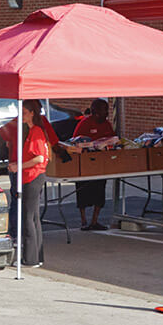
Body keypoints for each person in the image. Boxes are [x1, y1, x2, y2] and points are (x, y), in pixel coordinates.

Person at [8, 100, 49, 267]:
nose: (22, 115)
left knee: (28, 218)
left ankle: (30, 258)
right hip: (31, 176)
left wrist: (18, 167)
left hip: (33, 177)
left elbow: (39, 157)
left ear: (32, 113)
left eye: (24, 112)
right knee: (33, 217)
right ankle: (36, 257)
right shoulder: (33, 131)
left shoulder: (36, 131)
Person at [72, 99, 114, 231]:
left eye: (107, 111)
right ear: (95, 112)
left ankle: (95, 221)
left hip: (101, 163)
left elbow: (113, 138)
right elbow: (74, 142)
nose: (106, 114)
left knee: (100, 191)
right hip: (85, 164)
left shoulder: (107, 124)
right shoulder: (84, 124)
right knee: (83, 192)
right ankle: (84, 221)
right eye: (103, 111)